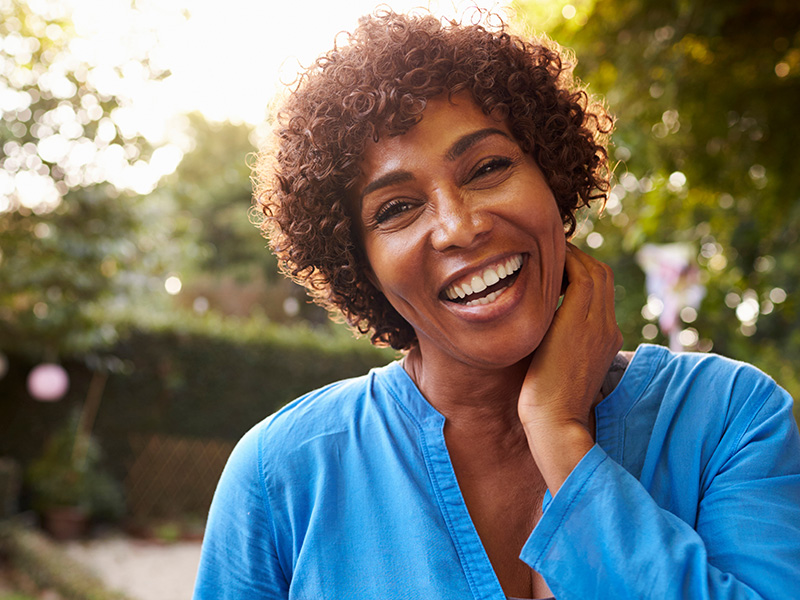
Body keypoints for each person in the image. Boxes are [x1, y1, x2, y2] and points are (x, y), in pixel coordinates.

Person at [193, 9, 800, 600]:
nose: (459, 227)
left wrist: (560, 437)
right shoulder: (282, 475)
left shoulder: (729, 416)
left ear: (551, 177)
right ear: (361, 266)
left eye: (488, 167)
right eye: (397, 208)